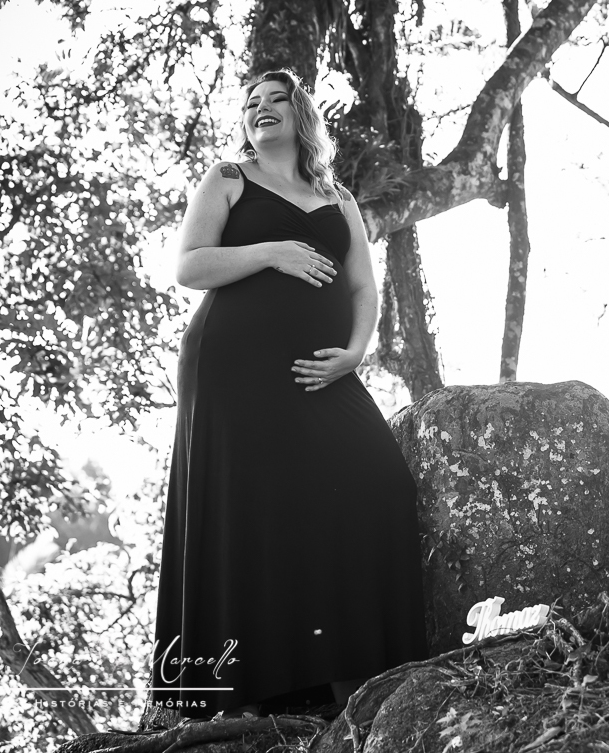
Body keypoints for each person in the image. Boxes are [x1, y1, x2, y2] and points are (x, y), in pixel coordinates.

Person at [150, 69, 429, 720]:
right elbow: (189, 265)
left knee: (382, 484)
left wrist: (355, 352)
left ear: (301, 114)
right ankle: (260, 691)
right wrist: (272, 251)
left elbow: (363, 288)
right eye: (252, 102)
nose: (262, 108)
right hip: (232, 365)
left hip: (323, 370)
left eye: (277, 98)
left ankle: (364, 671)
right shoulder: (228, 179)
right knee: (251, 507)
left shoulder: (338, 198)